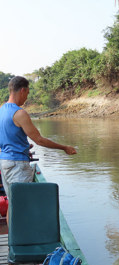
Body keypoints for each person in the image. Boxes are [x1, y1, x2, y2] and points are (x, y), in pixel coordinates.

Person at [0, 76, 77, 222]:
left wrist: (22, 145)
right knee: (22, 205)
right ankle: (21, 239)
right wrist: (64, 147)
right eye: (27, 94)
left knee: (13, 203)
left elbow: (5, 138)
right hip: (17, 165)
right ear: (22, 90)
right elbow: (39, 140)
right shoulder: (19, 113)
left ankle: (13, 242)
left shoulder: (1, 110)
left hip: (4, 162)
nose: (26, 98)